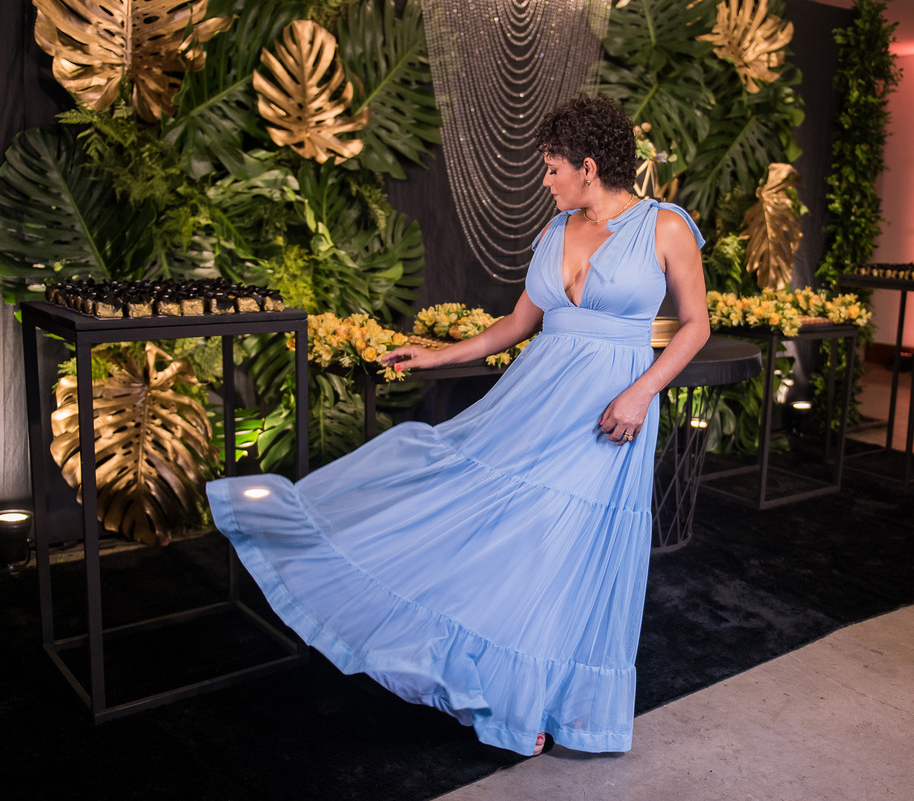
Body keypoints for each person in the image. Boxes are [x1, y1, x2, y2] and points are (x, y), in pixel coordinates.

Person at [205, 93, 708, 757]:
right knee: (503, 531)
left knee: (560, 547)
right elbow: (516, 325)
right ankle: (499, 688)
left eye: (553, 168)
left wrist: (642, 393)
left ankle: (538, 702)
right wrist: (437, 354)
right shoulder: (555, 231)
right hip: (531, 404)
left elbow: (695, 325)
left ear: (588, 167)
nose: (546, 180)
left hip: (610, 411)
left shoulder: (664, 227)